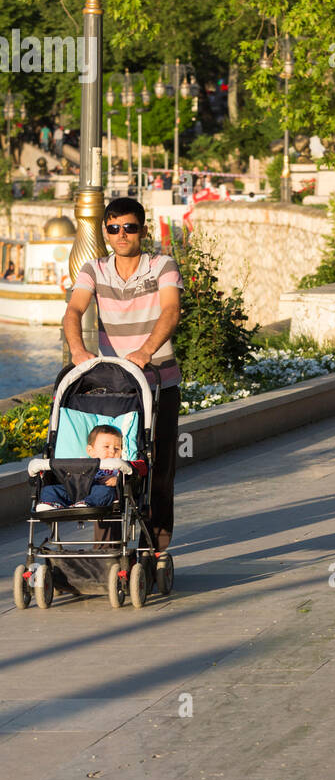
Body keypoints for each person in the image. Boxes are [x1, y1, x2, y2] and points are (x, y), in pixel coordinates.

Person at [63, 198, 182, 555]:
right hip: (114, 388)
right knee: (108, 464)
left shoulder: (162, 266)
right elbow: (74, 309)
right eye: (114, 228)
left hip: (158, 383)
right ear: (105, 231)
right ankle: (107, 549)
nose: (121, 235)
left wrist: (146, 351)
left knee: (158, 468)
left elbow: (171, 309)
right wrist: (78, 351)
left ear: (143, 230)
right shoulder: (94, 269)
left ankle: (154, 547)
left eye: (129, 227)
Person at [37, 424, 127, 512]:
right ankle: (52, 503)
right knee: (49, 489)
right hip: (75, 490)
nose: (112, 451)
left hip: (100, 491)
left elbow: (127, 478)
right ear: (91, 451)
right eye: (106, 447)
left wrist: (117, 480)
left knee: (106, 492)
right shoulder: (84, 462)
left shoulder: (117, 467)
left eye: (117, 448)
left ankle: (86, 504)